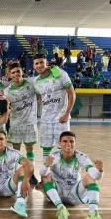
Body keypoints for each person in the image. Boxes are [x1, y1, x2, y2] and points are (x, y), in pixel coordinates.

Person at [40, 131, 105, 219]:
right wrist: (46, 165)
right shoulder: (54, 156)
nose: (68, 144)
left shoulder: (81, 157)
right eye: (65, 141)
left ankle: (93, 212)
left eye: (71, 141)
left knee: (90, 178)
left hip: (74, 193)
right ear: (60, 143)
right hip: (58, 192)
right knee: (46, 176)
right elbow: (42, 173)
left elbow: (96, 176)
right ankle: (61, 208)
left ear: (75, 143)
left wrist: (100, 171)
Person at [32, 54, 76, 188]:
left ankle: (61, 178)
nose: (39, 66)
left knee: (62, 148)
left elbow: (71, 93)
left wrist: (67, 113)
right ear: (34, 66)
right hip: (45, 119)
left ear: (46, 62)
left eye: (41, 62)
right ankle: (45, 178)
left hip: (60, 119)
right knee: (46, 148)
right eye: (36, 64)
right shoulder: (36, 81)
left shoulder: (59, 73)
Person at [4, 63, 38, 185]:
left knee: (30, 149)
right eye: (13, 72)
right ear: (9, 75)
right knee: (16, 151)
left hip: (30, 123)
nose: (16, 74)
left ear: (22, 71)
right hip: (15, 124)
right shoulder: (6, 91)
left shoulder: (31, 84)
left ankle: (31, 173)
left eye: (18, 71)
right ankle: (17, 173)